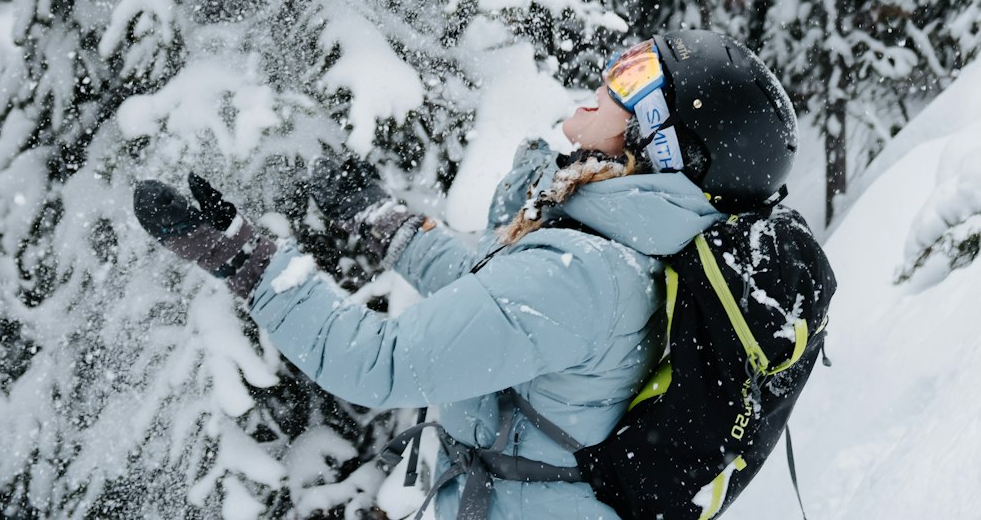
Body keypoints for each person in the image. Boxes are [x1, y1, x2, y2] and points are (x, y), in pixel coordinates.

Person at [134, 30, 799, 520]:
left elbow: (377, 363)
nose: (604, 82)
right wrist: (386, 224)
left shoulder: (585, 275)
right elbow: (496, 291)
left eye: (632, 83)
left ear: (663, 139)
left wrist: (242, 260)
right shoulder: (628, 247)